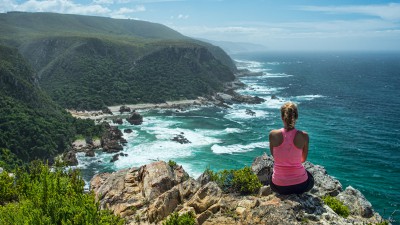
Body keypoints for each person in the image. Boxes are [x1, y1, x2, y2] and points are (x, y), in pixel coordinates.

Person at [269, 102, 314, 195]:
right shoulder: (304, 136)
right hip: (300, 185)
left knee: (271, 175)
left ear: (282, 117)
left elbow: (275, 156)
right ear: (296, 117)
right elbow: (303, 159)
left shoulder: (273, 134)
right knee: (310, 178)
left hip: (279, 186)